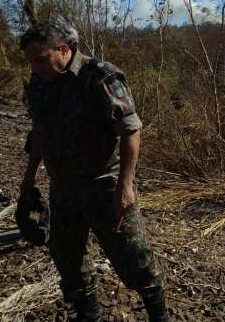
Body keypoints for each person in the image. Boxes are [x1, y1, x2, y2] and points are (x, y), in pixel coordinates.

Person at [19, 21, 169, 322]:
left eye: (41, 59)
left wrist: (125, 186)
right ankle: (90, 316)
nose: (36, 68)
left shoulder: (98, 76)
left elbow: (130, 130)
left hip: (104, 186)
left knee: (135, 259)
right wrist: (28, 179)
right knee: (69, 261)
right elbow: (39, 134)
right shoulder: (38, 84)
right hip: (63, 188)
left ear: (63, 50)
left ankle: (159, 315)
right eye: (30, 62)